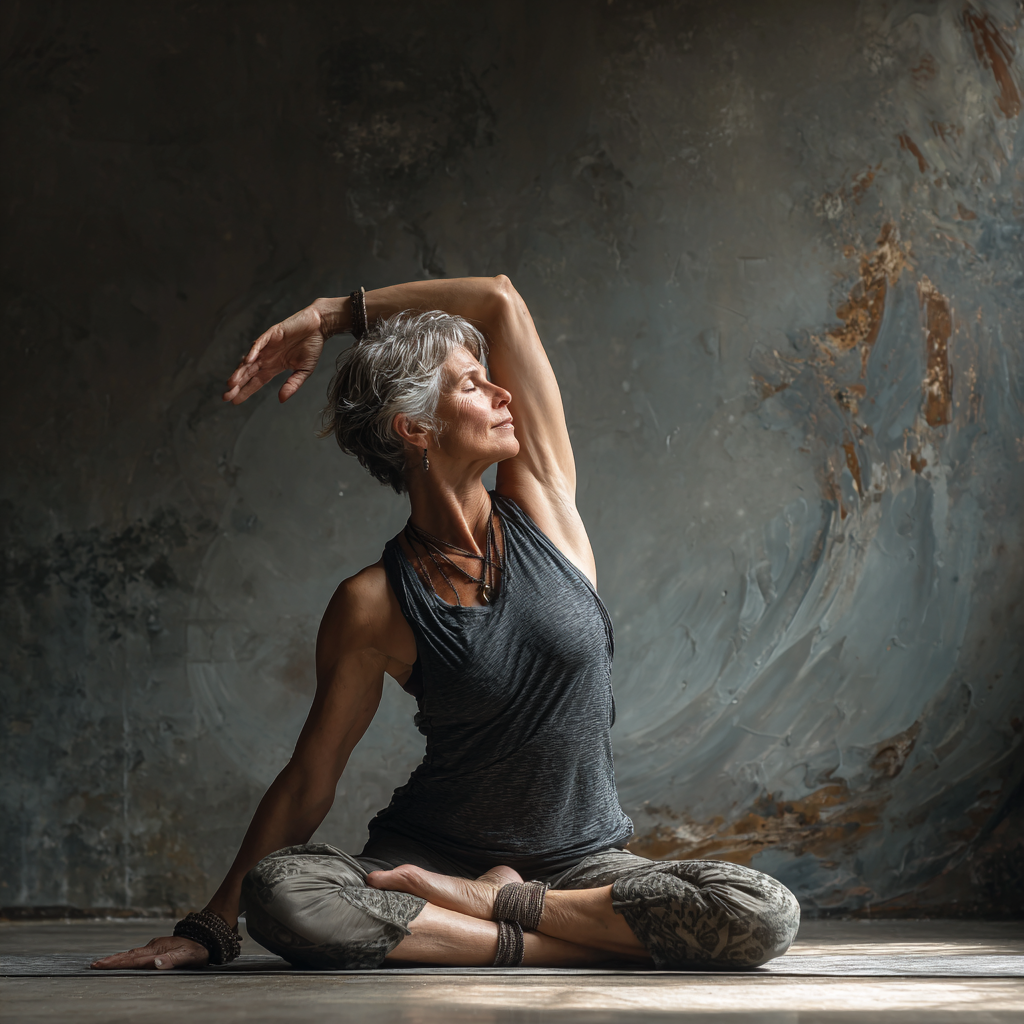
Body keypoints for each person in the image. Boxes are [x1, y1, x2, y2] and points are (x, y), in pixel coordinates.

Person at [93, 276, 799, 972]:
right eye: (470, 385)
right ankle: (539, 938)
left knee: (759, 911)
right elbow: (312, 776)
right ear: (414, 427)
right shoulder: (372, 601)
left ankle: (494, 909)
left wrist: (331, 314)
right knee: (283, 891)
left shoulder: (545, 506)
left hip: (581, 864)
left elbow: (499, 300)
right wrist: (213, 926)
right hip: (428, 861)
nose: (502, 394)